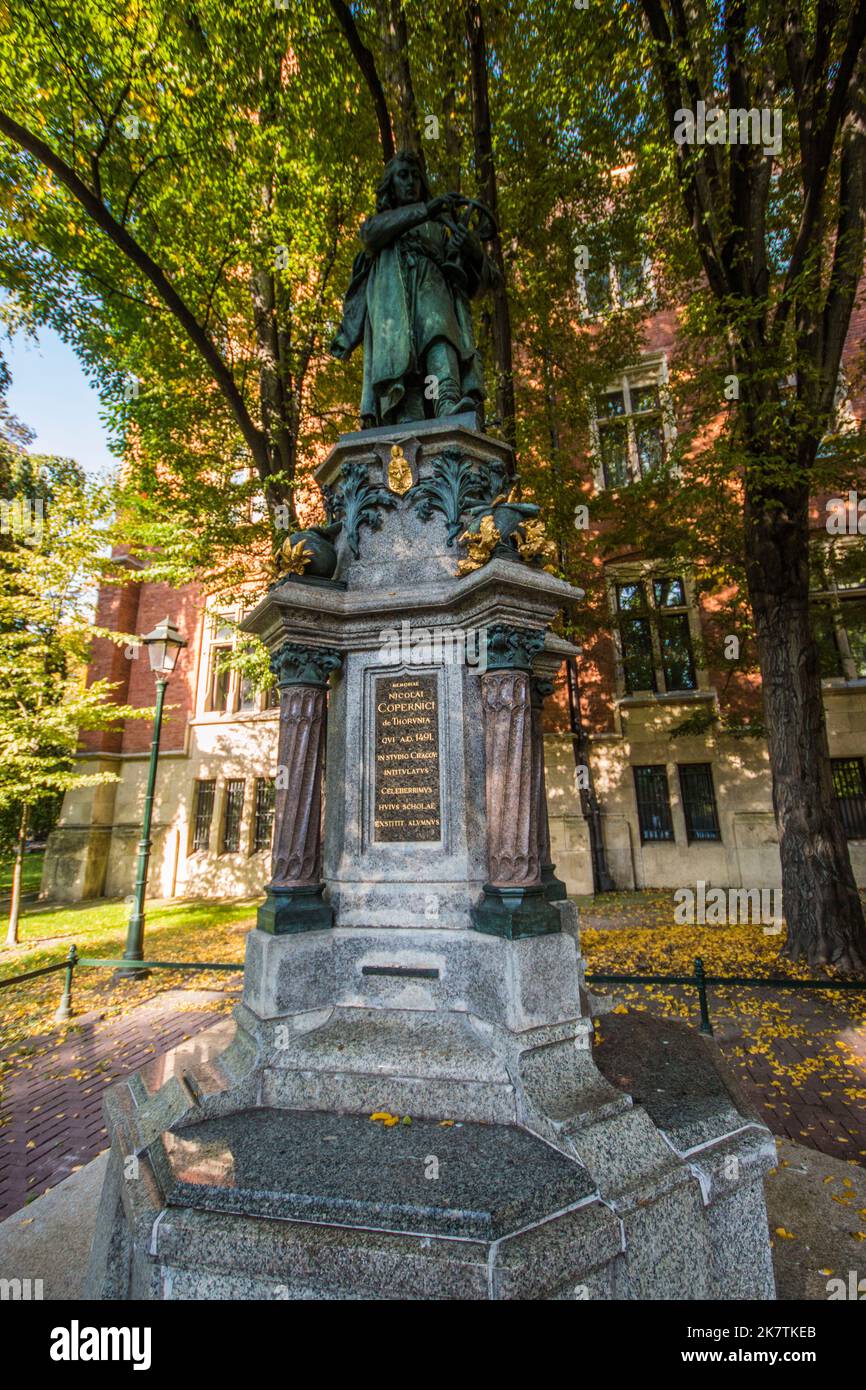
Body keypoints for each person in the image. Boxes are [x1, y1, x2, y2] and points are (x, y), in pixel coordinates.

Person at [331, 152, 496, 428]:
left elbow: (485, 283)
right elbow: (370, 235)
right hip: (393, 304)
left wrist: (472, 250)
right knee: (401, 359)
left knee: (439, 334)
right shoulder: (383, 223)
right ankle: (409, 418)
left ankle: (447, 401)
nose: (410, 182)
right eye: (403, 175)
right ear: (391, 184)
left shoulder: (440, 227)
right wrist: (427, 208)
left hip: (433, 290)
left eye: (416, 176)